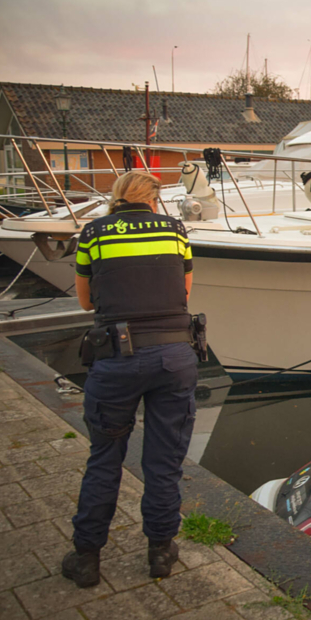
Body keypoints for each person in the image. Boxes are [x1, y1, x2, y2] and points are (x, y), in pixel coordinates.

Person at [62, 171, 198, 588]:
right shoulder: (175, 230)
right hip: (175, 357)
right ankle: (160, 551)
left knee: (105, 457)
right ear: (154, 200)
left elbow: (86, 302)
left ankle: (86, 558)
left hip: (117, 359)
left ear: (117, 197)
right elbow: (185, 293)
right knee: (163, 461)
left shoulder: (94, 232)